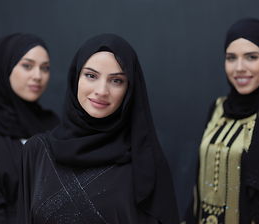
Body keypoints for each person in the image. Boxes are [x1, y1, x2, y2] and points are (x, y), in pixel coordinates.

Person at [17, 33, 180, 224]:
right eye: (91, 76)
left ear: (130, 90)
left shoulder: (145, 164)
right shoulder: (37, 151)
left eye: (116, 80)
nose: (102, 91)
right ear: (75, 78)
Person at [184, 18, 259, 224]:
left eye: (251, 57)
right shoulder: (218, 108)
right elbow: (198, 186)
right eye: (231, 58)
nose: (239, 68)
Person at [0, 33, 60, 223]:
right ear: (3, 69)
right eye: (27, 66)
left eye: (45, 68)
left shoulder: (53, 126)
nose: (38, 76)